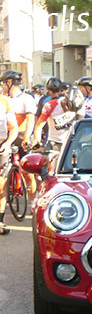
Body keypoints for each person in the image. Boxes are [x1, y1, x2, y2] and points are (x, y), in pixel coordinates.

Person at [33, 77, 82, 169]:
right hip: (54, 141)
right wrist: (37, 141)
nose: (68, 111)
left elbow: (81, 127)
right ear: (65, 101)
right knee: (44, 164)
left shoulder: (80, 107)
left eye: (72, 110)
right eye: (68, 107)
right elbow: (39, 126)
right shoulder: (50, 105)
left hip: (71, 142)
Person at [1, 70, 38, 196]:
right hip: (7, 135)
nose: (2, 86)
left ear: (9, 82)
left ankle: (32, 200)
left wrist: (27, 137)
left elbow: (30, 119)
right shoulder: (4, 99)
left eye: (3, 83)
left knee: (28, 172)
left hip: (21, 135)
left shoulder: (26, 99)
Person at [0, 92, 18, 235]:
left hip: (1, 145)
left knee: (1, 184)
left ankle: (0, 220)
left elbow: (13, 127)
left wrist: (7, 143)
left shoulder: (5, 102)